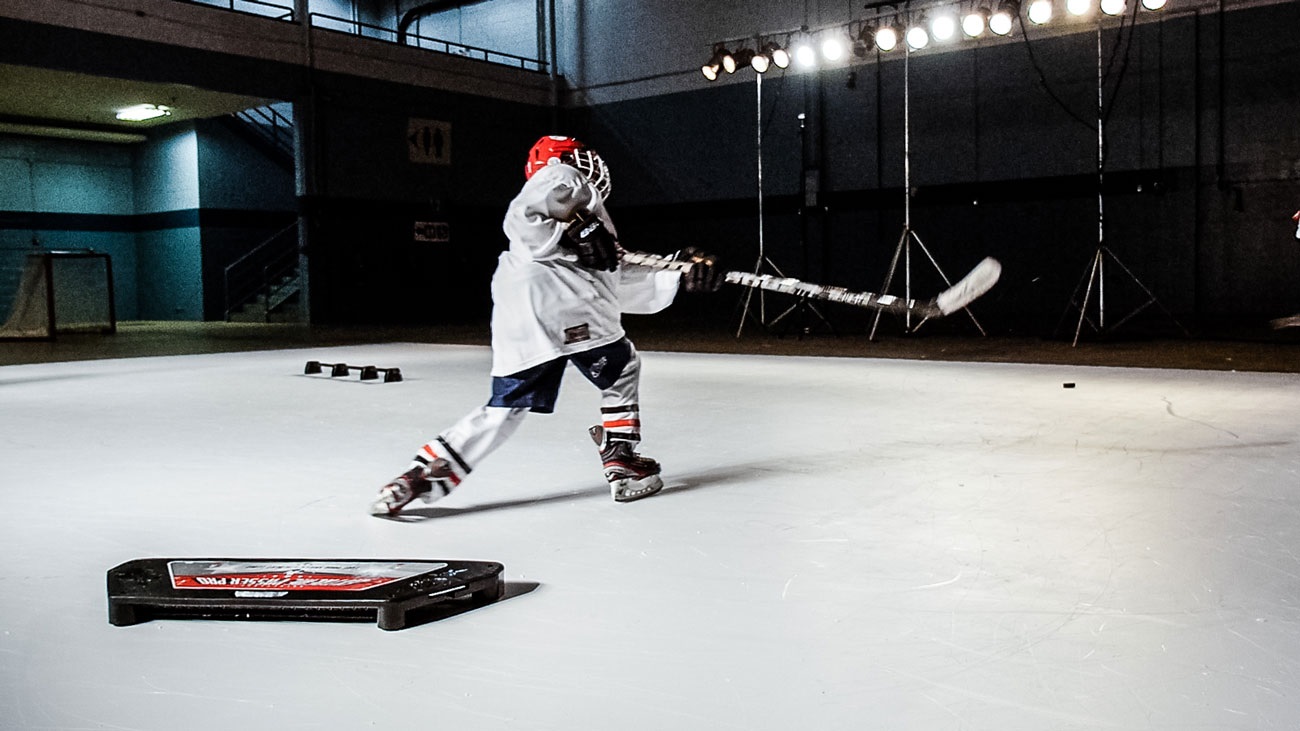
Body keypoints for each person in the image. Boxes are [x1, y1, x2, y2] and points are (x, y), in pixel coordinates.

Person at [370, 135, 722, 516]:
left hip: (520, 310)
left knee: (503, 410)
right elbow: (521, 217)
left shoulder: (576, 219)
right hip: (564, 298)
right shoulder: (563, 177)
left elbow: (611, 282)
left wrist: (677, 272)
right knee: (622, 368)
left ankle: (422, 474)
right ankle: (621, 458)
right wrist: (578, 228)